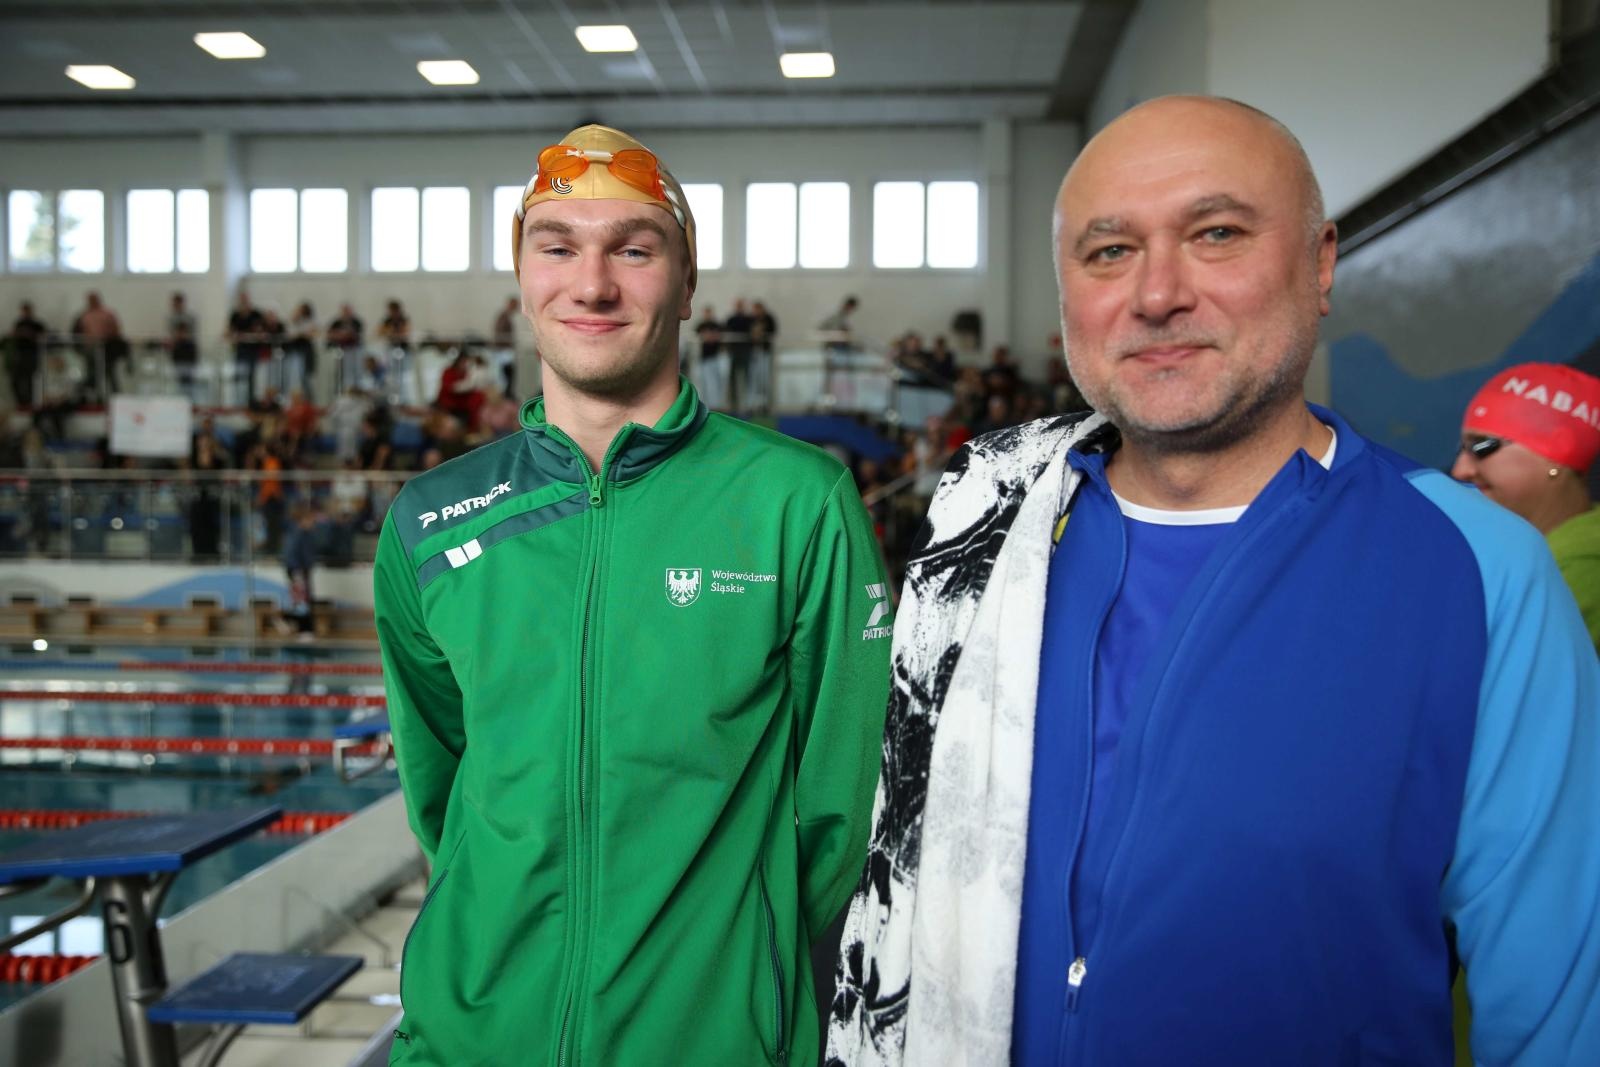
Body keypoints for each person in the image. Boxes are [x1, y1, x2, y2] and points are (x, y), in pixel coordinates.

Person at [828, 96, 1600, 1067]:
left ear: (1320, 262)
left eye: (1217, 233)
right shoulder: (981, 545)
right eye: (1109, 251)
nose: (1156, 293)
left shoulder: (1479, 571)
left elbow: (1557, 1011)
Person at [374, 123, 892, 1066]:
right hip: (466, 1039)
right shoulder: (431, 519)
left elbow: (841, 813)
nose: (592, 283)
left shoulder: (795, 501)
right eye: (557, 246)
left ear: (687, 283)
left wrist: (740, 981)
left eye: (634, 249)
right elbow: (442, 795)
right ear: (522, 275)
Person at [1452, 362, 1600, 651]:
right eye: (1461, 449)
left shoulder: (1579, 570)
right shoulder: (1534, 560)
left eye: (1482, 447)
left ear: (1557, 452)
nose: (1460, 470)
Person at [227, 292, 266, 406]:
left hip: (253, 350)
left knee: (251, 376)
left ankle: (250, 400)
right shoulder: (235, 315)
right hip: (240, 349)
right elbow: (230, 331)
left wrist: (256, 334)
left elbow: (262, 331)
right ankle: (237, 400)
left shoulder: (256, 314)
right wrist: (235, 336)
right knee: (239, 375)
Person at [8, 301, 48, 408]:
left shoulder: (37, 324)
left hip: (32, 354)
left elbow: (44, 337)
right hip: (20, 354)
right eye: (24, 311)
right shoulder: (19, 324)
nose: (25, 313)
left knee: (31, 380)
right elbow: (13, 336)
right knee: (16, 379)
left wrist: (31, 335)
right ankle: (21, 402)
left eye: (27, 310)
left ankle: (31, 402)